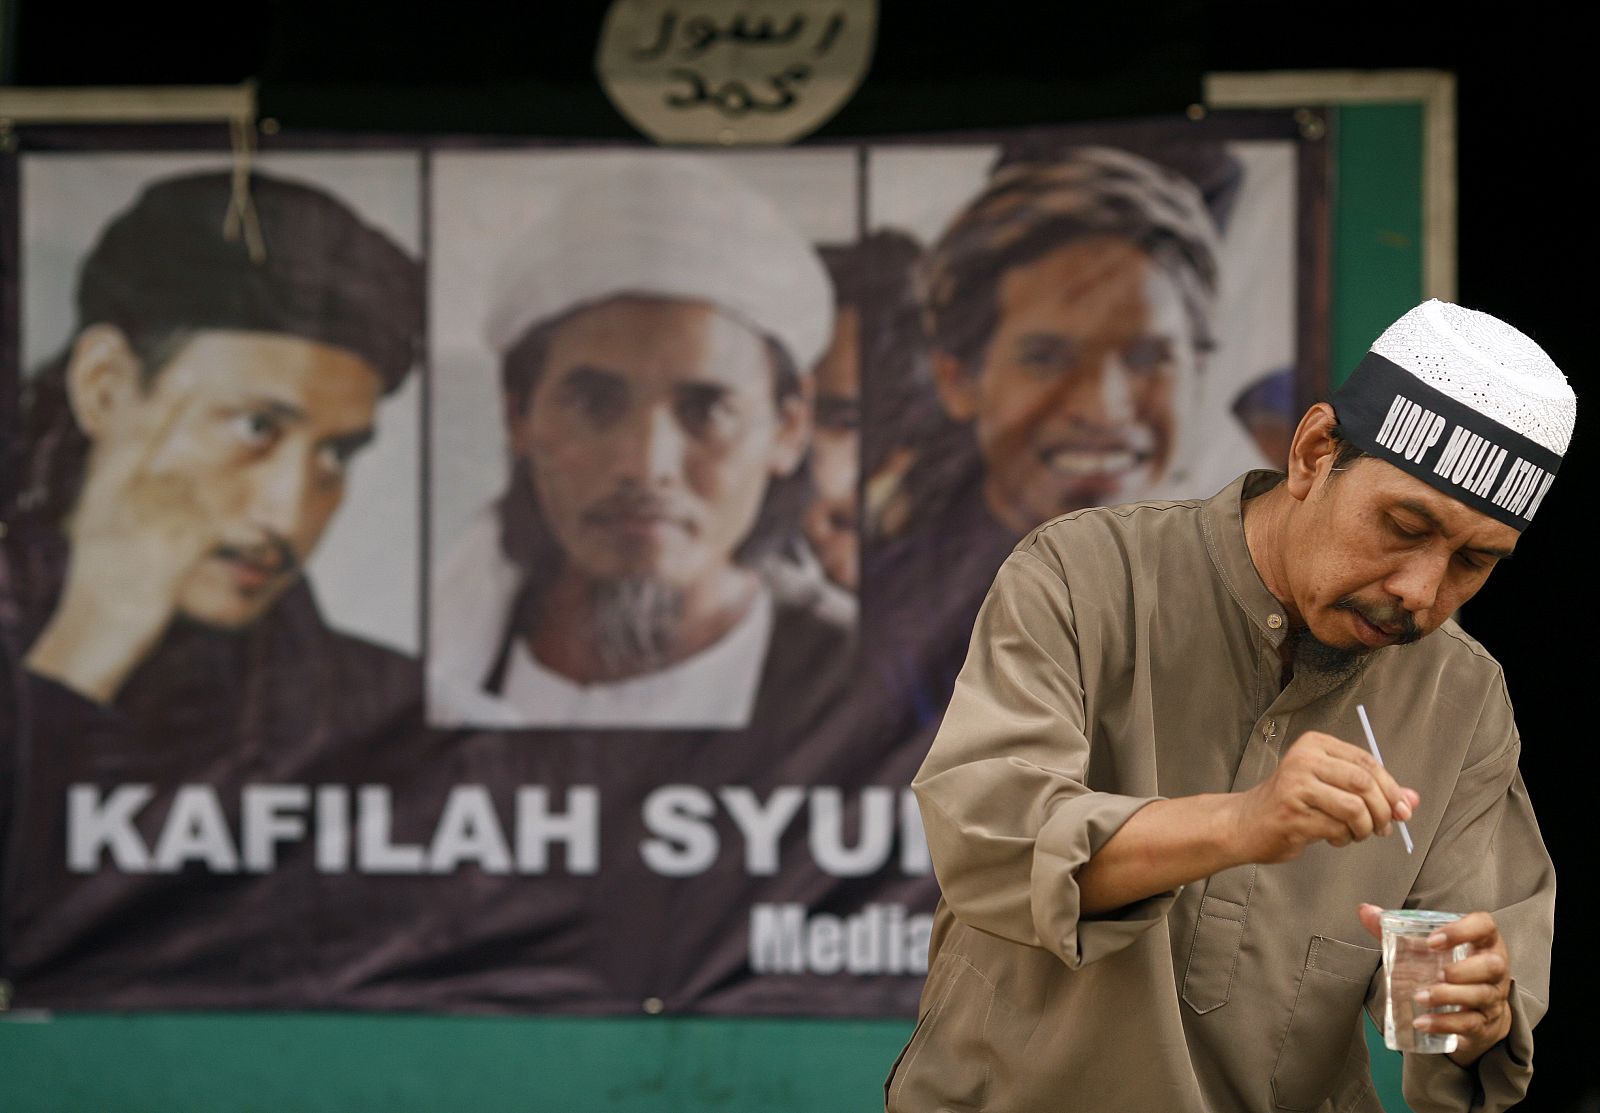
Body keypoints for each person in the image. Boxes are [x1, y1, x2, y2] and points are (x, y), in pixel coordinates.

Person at [886, 299, 1568, 1112]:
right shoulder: (1086, 575)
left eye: (1475, 562)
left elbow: (1440, 992)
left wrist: (1473, 1009)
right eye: (1403, 525)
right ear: (1315, 453)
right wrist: (1241, 824)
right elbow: (989, 839)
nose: (1420, 594)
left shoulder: (1460, 693)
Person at [0, 169, 425, 1007]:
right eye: (256, 427)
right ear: (107, 388)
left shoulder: (384, 706)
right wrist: (85, 653)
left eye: (338, 454)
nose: (287, 510)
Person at [428, 154, 852, 730]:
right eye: (593, 403)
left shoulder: (854, 695)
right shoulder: (434, 668)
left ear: (788, 429)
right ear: (517, 414)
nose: (645, 465)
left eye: (707, 409)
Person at [864, 145, 1262, 733]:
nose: (1102, 407)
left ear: (1200, 372)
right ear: (959, 379)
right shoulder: (873, 632)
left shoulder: (1258, 606)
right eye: (1046, 358)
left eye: (1148, 357)